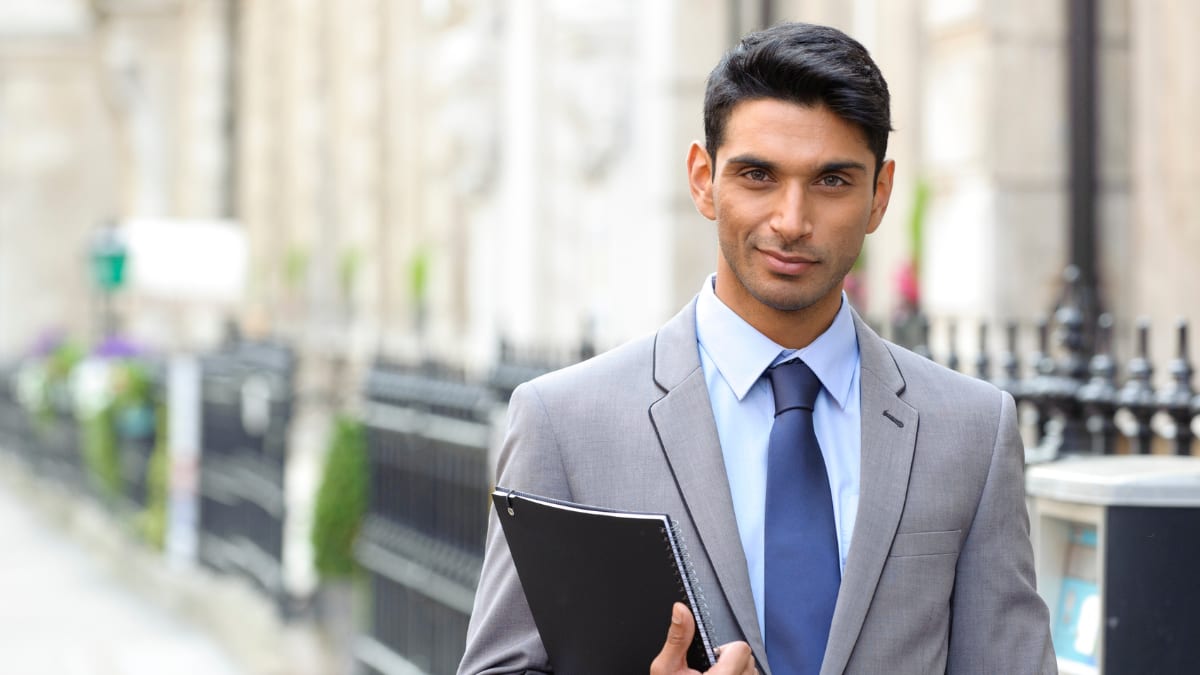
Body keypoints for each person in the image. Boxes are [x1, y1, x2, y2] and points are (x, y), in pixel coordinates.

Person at [459, 22, 1055, 675]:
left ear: (879, 193)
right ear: (703, 179)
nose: (791, 220)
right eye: (758, 175)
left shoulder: (971, 430)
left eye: (831, 181)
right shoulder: (565, 423)